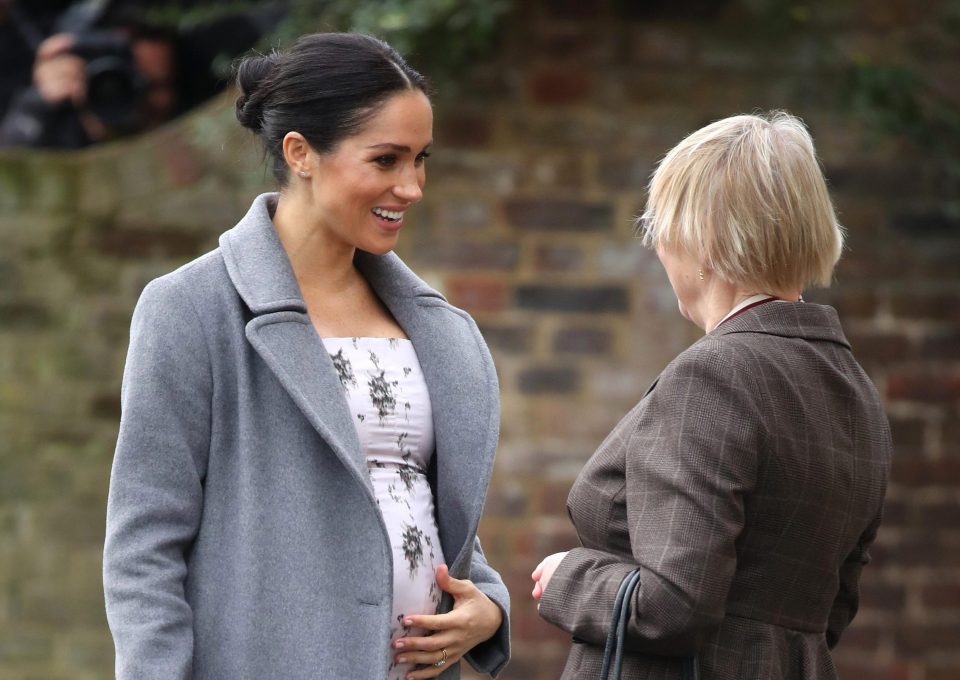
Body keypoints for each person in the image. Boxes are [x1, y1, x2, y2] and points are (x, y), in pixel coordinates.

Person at [103, 32, 510, 680]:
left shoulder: (436, 328)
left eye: (421, 159)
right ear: (301, 153)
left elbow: (414, 494)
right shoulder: (191, 309)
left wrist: (487, 605)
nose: (412, 186)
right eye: (386, 159)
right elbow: (144, 549)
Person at [531, 111, 892, 679]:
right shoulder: (854, 391)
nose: (659, 251)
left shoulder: (714, 375)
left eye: (662, 231)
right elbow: (831, 610)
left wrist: (567, 578)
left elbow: (672, 605)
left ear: (702, 240)